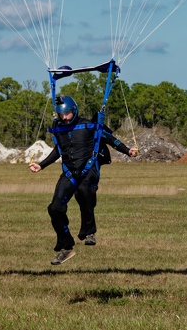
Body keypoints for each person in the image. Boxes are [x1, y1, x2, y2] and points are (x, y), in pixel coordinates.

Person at [29, 95, 138, 265]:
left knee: (84, 191)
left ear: (74, 110)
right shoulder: (60, 128)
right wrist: (41, 165)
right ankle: (66, 246)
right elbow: (58, 150)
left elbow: (109, 138)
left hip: (89, 170)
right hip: (69, 172)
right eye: (61, 114)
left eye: (67, 113)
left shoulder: (88, 125)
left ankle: (89, 231)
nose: (64, 118)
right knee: (54, 208)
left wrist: (127, 151)